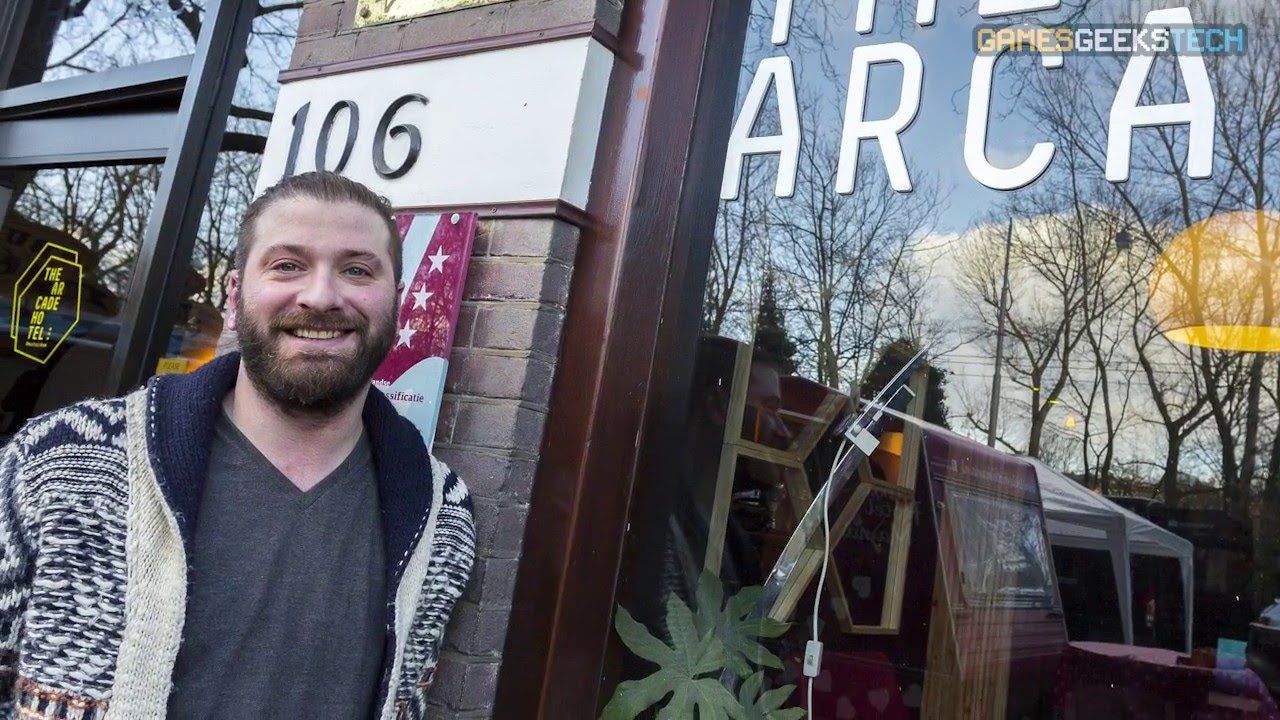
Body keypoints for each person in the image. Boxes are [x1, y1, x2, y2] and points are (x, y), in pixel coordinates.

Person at [0, 172, 475, 719]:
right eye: (287, 265)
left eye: (357, 270)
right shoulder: (61, 463)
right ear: (233, 296)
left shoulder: (442, 516)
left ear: (398, 301)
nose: (321, 296)